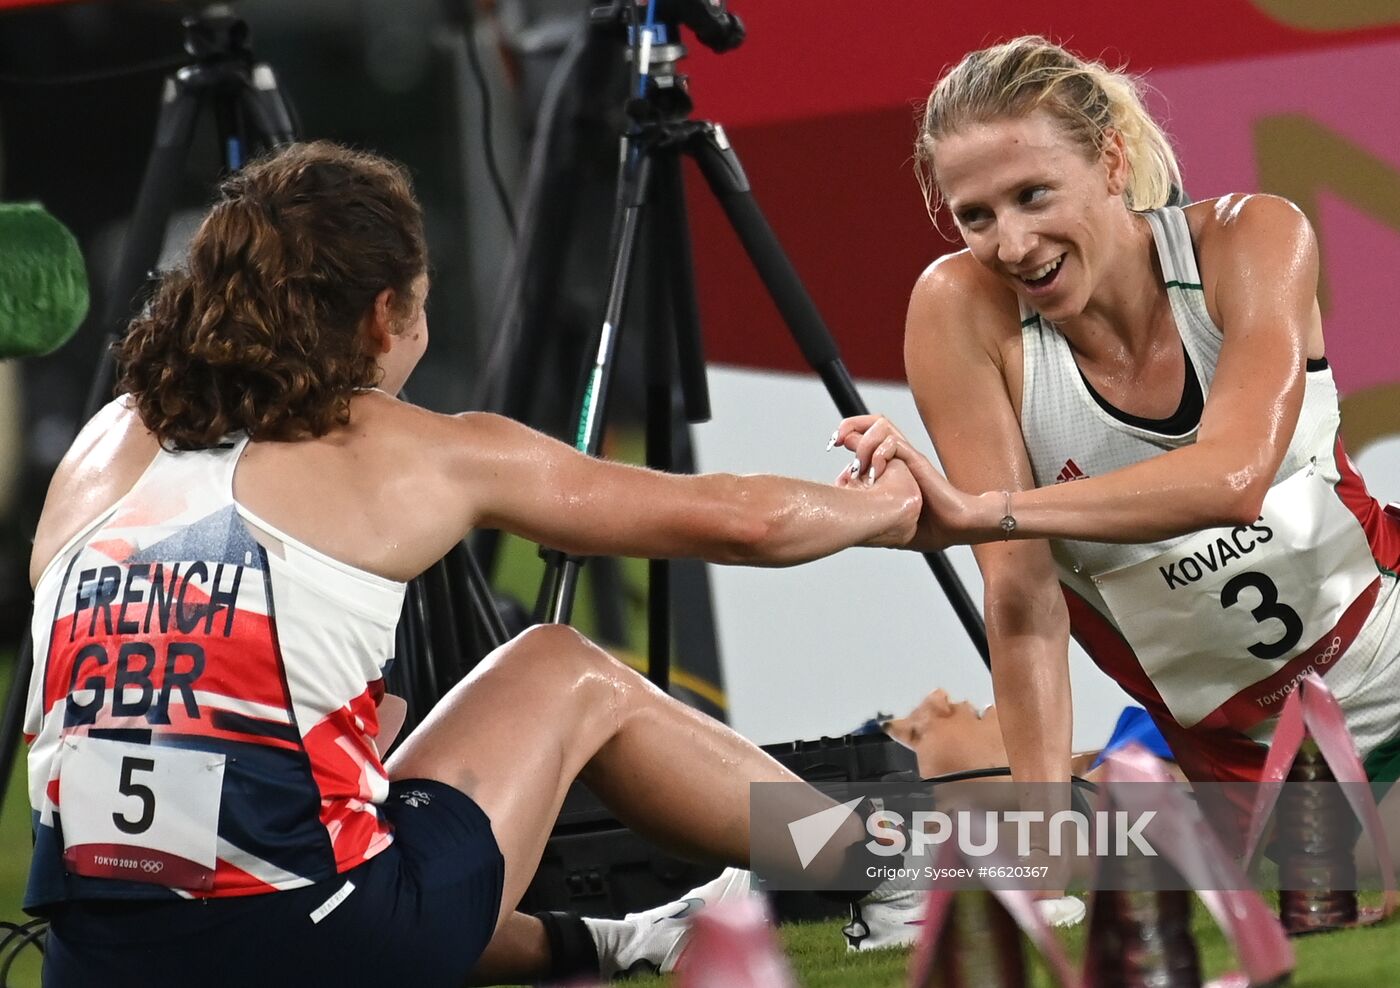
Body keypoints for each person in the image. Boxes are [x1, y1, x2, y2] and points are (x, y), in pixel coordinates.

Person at [22, 141, 925, 987]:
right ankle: (882, 866)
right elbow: (741, 524)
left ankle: (624, 940)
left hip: (92, 963)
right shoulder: (407, 449)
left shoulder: (102, 445)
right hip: (319, 942)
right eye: (421, 308)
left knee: (327, 794)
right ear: (383, 315)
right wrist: (890, 505)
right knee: (560, 666)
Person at [836, 36, 1400, 849]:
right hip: (1239, 765)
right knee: (831, 841)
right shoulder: (957, 309)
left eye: (1033, 195)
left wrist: (987, 511)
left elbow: (1232, 480)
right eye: (975, 216)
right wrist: (1040, 837)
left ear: (1109, 160)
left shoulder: (1253, 237)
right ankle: (720, 889)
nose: (1013, 245)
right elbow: (1022, 595)